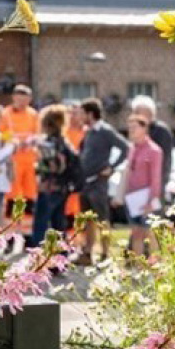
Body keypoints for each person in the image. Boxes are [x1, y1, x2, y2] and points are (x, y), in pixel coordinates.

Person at [76, 97, 129, 265]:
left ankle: (106, 254)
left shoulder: (105, 131)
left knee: (102, 220)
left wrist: (112, 167)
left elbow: (125, 148)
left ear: (90, 114)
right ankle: (88, 252)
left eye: (82, 113)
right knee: (88, 220)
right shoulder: (89, 132)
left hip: (99, 183)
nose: (79, 116)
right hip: (85, 183)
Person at [28, 104, 80, 247]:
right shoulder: (64, 142)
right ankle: (61, 253)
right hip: (63, 187)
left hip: (48, 187)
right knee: (59, 222)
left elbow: (50, 167)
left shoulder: (48, 143)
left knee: (41, 222)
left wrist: (39, 167)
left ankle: (37, 252)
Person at [114, 114, 163, 257]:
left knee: (150, 233)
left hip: (146, 198)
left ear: (144, 128)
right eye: (129, 128)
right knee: (136, 233)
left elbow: (156, 178)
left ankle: (155, 265)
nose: (131, 131)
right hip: (133, 198)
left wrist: (151, 200)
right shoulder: (132, 148)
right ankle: (139, 266)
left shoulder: (154, 150)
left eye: (134, 127)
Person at [0, 85, 40, 217]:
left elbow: (38, 133)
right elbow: (0, 134)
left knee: (30, 191)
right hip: (12, 159)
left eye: (25, 99)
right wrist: (13, 141)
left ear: (29, 99)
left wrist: (31, 141)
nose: (22, 103)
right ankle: (11, 225)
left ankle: (28, 226)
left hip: (29, 159)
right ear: (14, 97)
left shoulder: (33, 114)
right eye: (19, 99)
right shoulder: (5, 114)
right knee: (12, 192)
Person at [130, 95, 173, 203]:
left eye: (137, 112)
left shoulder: (161, 131)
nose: (134, 115)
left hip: (154, 185)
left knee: (153, 218)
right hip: (138, 186)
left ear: (149, 113)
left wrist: (160, 185)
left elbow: (165, 161)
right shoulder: (138, 130)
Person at [64, 103, 87, 232]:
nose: (73, 116)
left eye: (76, 113)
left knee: (80, 209)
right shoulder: (63, 132)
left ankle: (80, 241)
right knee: (67, 209)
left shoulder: (86, 132)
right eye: (70, 113)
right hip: (67, 176)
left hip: (81, 176)